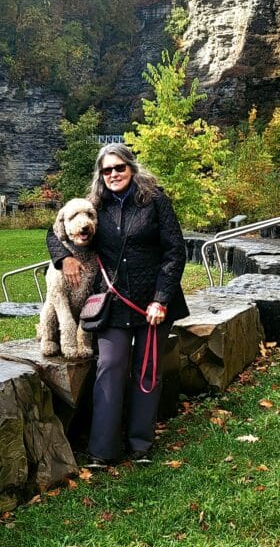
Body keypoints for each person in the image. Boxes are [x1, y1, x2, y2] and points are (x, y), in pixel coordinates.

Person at [47, 142, 188, 467]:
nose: (113, 174)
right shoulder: (95, 206)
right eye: (106, 170)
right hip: (114, 303)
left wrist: (161, 299)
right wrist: (63, 257)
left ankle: (140, 445)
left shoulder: (155, 201)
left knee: (146, 371)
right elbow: (54, 233)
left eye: (118, 167)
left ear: (131, 168)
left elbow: (175, 251)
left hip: (154, 304)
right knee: (109, 367)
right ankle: (103, 450)